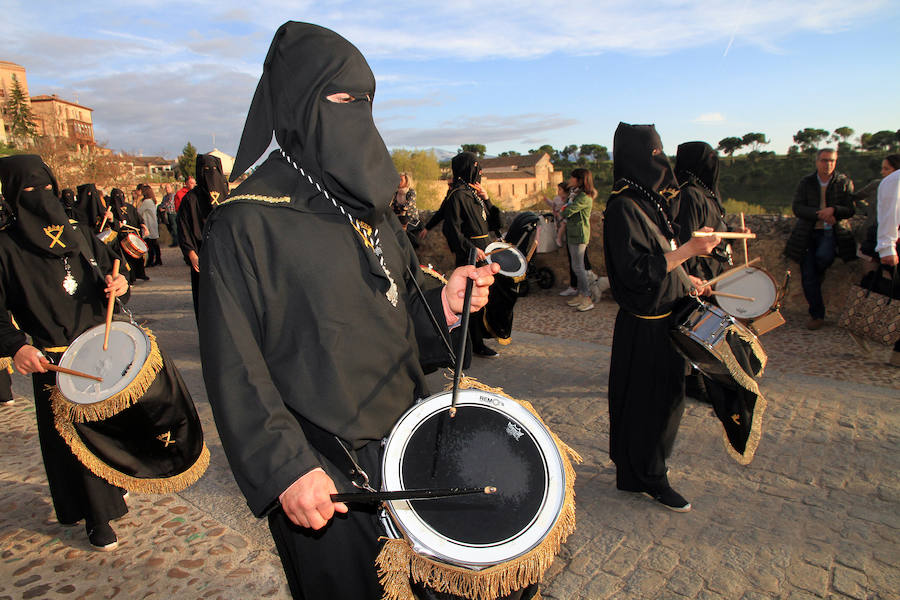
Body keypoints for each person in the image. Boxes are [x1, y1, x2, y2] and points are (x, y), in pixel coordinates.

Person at [195, 22, 521, 600]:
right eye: (340, 97)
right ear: (296, 98)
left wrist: (445, 306)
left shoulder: (372, 208)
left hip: (409, 443)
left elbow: (399, 306)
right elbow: (234, 365)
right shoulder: (245, 222)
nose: (356, 112)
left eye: (365, 99)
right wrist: (286, 467)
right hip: (323, 468)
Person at [0, 154, 130, 550]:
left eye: (45, 189)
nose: (40, 197)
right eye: (28, 191)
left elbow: (112, 267)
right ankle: (96, 515)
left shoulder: (78, 230)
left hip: (98, 346)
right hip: (53, 359)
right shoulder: (4, 246)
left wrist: (120, 283)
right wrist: (15, 345)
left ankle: (113, 488)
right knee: (71, 439)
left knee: (107, 428)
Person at [603, 123, 721, 513]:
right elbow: (638, 271)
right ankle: (651, 476)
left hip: (663, 316)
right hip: (646, 324)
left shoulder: (646, 201)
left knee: (650, 402)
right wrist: (689, 249)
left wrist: (689, 280)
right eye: (653, 154)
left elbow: (664, 256)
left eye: (661, 151)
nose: (662, 161)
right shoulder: (623, 207)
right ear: (638, 156)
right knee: (656, 404)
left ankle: (636, 473)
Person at [784, 148, 856, 330]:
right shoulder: (807, 182)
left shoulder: (843, 182)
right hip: (807, 234)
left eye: (831, 160)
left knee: (823, 259)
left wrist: (834, 211)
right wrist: (820, 214)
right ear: (817, 162)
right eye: (824, 160)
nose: (828, 164)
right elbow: (797, 208)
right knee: (808, 277)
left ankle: (817, 280)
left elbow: (850, 209)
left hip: (832, 233)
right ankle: (817, 315)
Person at [441, 151, 503, 357]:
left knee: (484, 298)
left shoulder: (475, 194)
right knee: (471, 300)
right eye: (476, 166)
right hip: (471, 255)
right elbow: (451, 229)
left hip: (485, 252)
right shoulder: (456, 195)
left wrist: (488, 199)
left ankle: (479, 338)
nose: (480, 171)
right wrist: (469, 249)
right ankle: (473, 344)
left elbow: (496, 224)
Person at [860, 154, 900, 366]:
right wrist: (887, 246)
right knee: (889, 291)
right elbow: (890, 214)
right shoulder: (895, 181)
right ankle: (859, 320)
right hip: (893, 243)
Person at [178, 154, 227, 320]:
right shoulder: (190, 199)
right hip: (201, 256)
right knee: (206, 302)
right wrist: (191, 253)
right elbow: (183, 228)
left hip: (227, 257)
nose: (211, 175)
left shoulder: (228, 197)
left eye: (214, 170)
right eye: (206, 170)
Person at [674, 141, 732, 281]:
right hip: (701, 278)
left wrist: (733, 233)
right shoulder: (689, 195)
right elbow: (686, 240)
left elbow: (714, 227)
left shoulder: (708, 192)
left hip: (713, 271)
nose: (714, 162)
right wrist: (698, 278)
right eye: (709, 157)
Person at [561, 168, 595, 312]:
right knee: (576, 267)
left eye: (572, 178)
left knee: (579, 268)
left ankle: (587, 297)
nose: (570, 180)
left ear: (579, 180)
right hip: (573, 234)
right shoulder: (576, 194)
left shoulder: (584, 197)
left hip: (580, 235)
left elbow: (567, 211)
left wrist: (565, 208)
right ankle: (581, 294)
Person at [139, 185, 162, 266]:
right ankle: (158, 259)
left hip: (149, 225)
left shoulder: (146, 202)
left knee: (150, 244)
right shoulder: (151, 201)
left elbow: (139, 212)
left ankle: (151, 260)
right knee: (154, 243)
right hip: (153, 224)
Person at [160, 182, 179, 247]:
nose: (167, 189)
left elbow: (169, 203)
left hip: (173, 213)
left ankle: (176, 242)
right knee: (170, 228)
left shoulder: (173, 195)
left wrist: (163, 207)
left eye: (168, 187)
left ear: (171, 188)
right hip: (166, 214)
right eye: (166, 188)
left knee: (174, 228)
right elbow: (162, 204)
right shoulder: (165, 197)